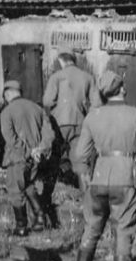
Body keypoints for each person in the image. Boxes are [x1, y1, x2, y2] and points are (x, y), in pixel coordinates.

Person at [72, 71, 136, 261]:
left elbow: (80, 155)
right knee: (124, 230)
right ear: (122, 89)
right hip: (125, 178)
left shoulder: (93, 116)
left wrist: (86, 174)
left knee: (91, 228)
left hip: (98, 178)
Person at [0, 80, 55, 236]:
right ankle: (39, 219)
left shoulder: (7, 111)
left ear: (7, 94)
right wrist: (39, 149)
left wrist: (28, 151)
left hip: (17, 158)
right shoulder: (37, 109)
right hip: (35, 159)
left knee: (15, 191)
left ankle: (21, 227)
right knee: (29, 186)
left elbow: (11, 139)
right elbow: (49, 134)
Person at [42, 47, 101, 186]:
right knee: (81, 163)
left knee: (53, 159)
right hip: (80, 124)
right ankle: (87, 197)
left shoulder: (56, 77)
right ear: (73, 60)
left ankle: (48, 195)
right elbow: (97, 103)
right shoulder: (88, 77)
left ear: (61, 60)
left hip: (59, 124)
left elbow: (47, 101)